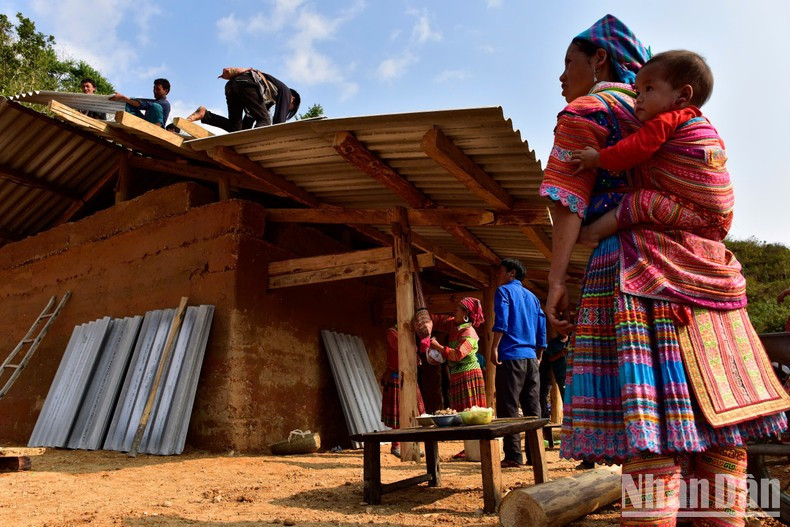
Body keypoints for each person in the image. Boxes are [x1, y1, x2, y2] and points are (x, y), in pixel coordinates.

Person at [540, 14, 790, 526]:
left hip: (638, 271)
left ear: (600, 60)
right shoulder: (675, 113)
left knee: (650, 427)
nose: (562, 77)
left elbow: (567, 199)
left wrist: (557, 279)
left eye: (568, 63)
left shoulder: (589, 111)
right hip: (709, 273)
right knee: (718, 422)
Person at [569, 51, 743, 299]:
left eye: (648, 89)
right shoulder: (703, 125)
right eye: (637, 91)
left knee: (641, 201)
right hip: (721, 219)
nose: (638, 98)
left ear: (682, 96)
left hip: (702, 211)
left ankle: (592, 232)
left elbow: (634, 150)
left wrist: (597, 158)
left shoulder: (668, 120)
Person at [490, 258, 547, 468]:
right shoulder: (533, 298)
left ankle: (514, 456)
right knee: (533, 409)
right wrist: (539, 353)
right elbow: (542, 325)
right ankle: (535, 454)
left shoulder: (504, 291)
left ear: (511, 273)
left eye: (500, 271)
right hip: (531, 359)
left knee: (508, 407)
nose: (498, 275)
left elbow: (502, 321)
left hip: (511, 356)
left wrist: (494, 347)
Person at [185, 68, 300, 132]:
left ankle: (204, 115)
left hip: (232, 86)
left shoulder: (267, 100)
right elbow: (279, 124)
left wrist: (242, 134)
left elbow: (249, 119)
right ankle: (256, 144)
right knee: (265, 119)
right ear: (292, 99)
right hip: (246, 84)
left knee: (236, 128)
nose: (286, 108)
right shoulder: (286, 92)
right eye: (289, 108)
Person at [423, 298, 487, 412]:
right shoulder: (454, 325)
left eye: (457, 310)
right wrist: (424, 318)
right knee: (459, 413)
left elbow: (457, 355)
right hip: (457, 376)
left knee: (470, 413)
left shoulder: (469, 333)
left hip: (468, 377)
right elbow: (439, 320)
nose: (454, 312)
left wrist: (437, 346)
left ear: (465, 313)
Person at [381, 327, 430, 457]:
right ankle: (396, 445)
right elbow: (401, 346)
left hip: (409, 378)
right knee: (398, 414)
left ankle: (412, 444)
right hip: (396, 377)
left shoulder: (409, 335)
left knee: (414, 412)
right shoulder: (392, 333)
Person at [538, 331, 568, 420]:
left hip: (573, 373)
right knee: (565, 397)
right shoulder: (553, 343)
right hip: (561, 374)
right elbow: (549, 359)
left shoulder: (572, 340)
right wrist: (559, 354)